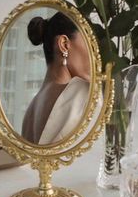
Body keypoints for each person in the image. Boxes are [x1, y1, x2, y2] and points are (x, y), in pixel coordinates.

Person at [22, 12, 91, 145]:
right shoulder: (82, 91)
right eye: (90, 45)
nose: (96, 55)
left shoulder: (33, 106)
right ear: (64, 44)